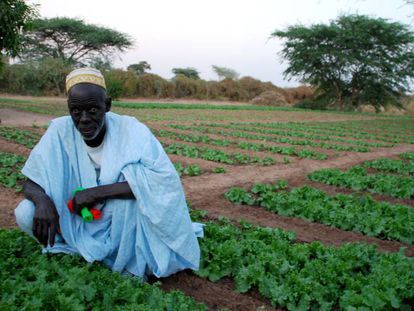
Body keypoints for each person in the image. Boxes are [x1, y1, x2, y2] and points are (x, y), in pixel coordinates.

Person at [14, 67, 202, 278]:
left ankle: (123, 258)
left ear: (108, 105)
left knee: (133, 176)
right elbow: (31, 180)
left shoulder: (131, 130)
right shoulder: (59, 131)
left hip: (117, 218)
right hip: (75, 217)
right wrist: (42, 202)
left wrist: (96, 193)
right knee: (25, 212)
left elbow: (163, 180)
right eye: (76, 111)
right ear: (69, 109)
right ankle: (77, 247)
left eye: (93, 110)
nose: (84, 119)